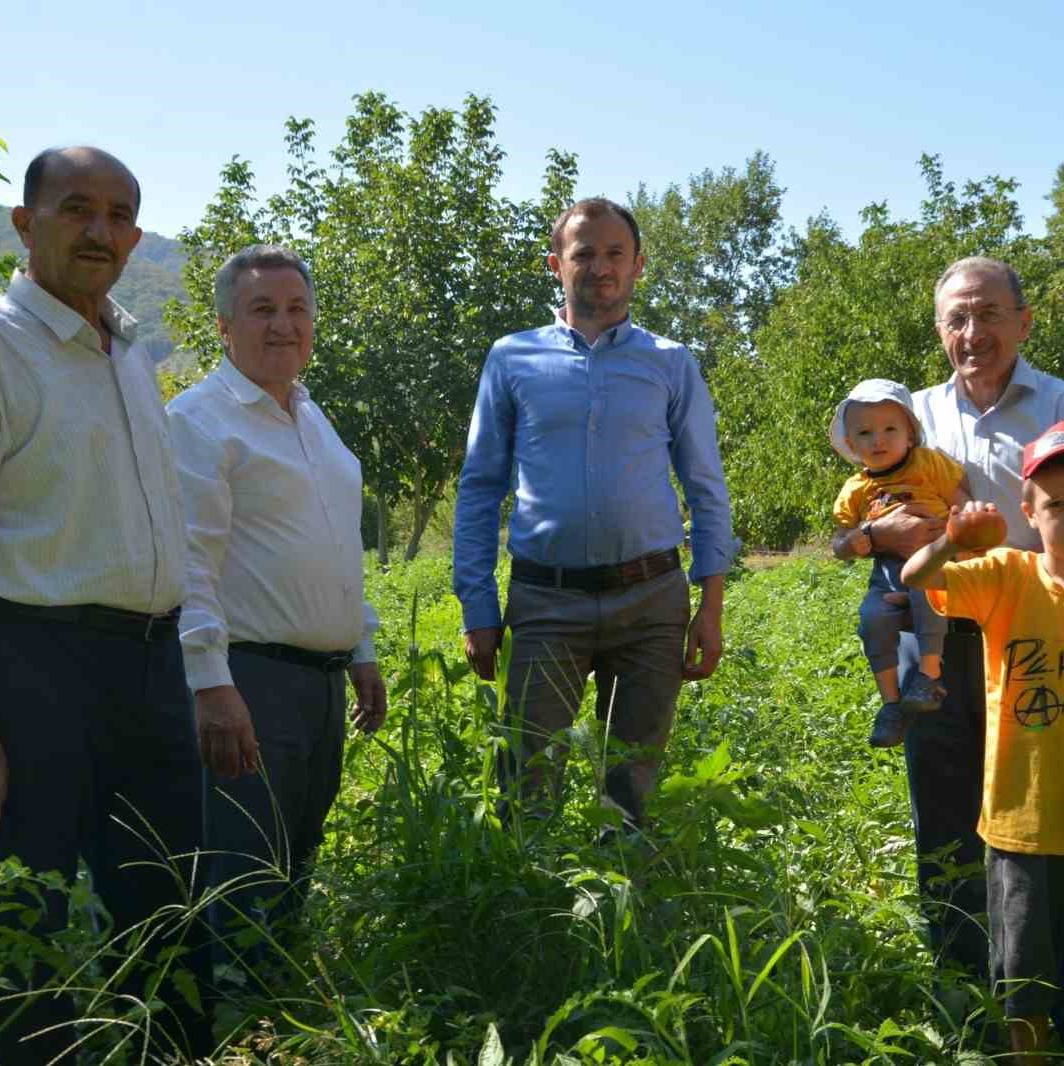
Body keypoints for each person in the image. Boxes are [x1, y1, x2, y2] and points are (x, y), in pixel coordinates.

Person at [0, 146, 211, 1063]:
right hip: (31, 671)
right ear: (25, 225)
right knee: (24, 935)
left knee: (168, 919)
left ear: (137, 236)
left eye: (120, 215)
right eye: (77, 209)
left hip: (149, 673)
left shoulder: (128, 355)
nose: (101, 230)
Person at [862, 257, 1064, 979]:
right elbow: (863, 519)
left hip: (1036, 635)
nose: (974, 332)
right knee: (941, 799)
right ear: (939, 331)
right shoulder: (915, 416)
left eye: (990, 314)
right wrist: (878, 534)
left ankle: (1044, 972)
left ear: (1024, 322)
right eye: (957, 319)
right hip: (934, 629)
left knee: (1037, 803)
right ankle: (960, 972)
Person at [453, 197, 734, 833]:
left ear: (638, 265)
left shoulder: (670, 362)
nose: (600, 266)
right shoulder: (511, 358)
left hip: (652, 605)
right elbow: (479, 487)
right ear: (556, 264)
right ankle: (533, 921)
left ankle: (624, 918)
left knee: (629, 788)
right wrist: (477, 607)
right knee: (525, 783)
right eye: (584, 253)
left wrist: (710, 604)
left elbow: (706, 487)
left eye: (615, 254)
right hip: (545, 603)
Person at [903, 422, 1064, 1061]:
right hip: (1021, 826)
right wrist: (952, 539)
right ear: (1029, 511)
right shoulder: (1006, 576)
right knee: (1024, 982)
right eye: (1055, 503)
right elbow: (915, 578)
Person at [166, 244, 388, 977]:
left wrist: (361, 651)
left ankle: (278, 1018)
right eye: (263, 309)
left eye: (297, 310)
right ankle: (232, 1030)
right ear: (226, 325)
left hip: (319, 688)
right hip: (251, 683)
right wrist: (212, 683)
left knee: (294, 868)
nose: (283, 325)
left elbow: (336, 546)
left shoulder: (308, 417)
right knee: (241, 877)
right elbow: (189, 564)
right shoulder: (202, 422)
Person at [829, 378, 970, 748]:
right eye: (865, 432)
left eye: (890, 428)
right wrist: (858, 537)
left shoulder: (929, 463)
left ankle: (929, 674)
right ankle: (890, 702)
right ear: (851, 445)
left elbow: (962, 502)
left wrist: (959, 535)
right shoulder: (855, 490)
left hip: (932, 557)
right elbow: (839, 542)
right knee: (872, 619)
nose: (879, 440)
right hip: (887, 572)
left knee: (927, 595)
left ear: (910, 434)